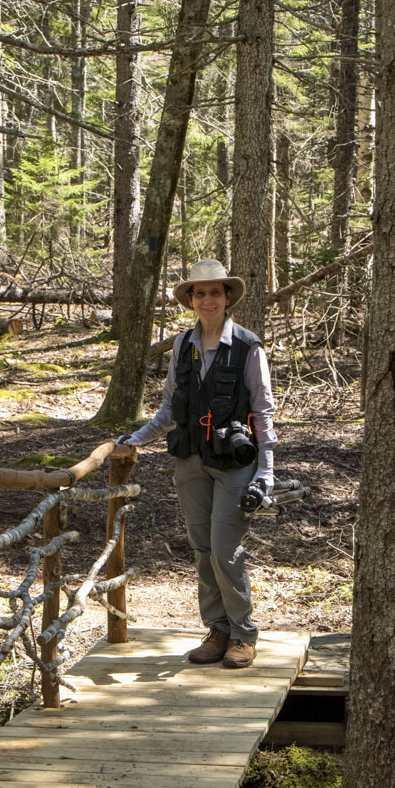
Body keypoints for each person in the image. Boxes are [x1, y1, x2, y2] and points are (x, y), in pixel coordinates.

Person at [118, 259, 277, 669]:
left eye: (216, 292)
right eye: (200, 293)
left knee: (226, 550)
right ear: (191, 299)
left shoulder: (247, 346)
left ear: (227, 298)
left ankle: (243, 634)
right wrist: (136, 438)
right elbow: (170, 406)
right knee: (203, 550)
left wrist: (267, 470)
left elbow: (262, 411)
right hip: (190, 460)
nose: (208, 299)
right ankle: (218, 629)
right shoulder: (182, 346)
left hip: (233, 463)